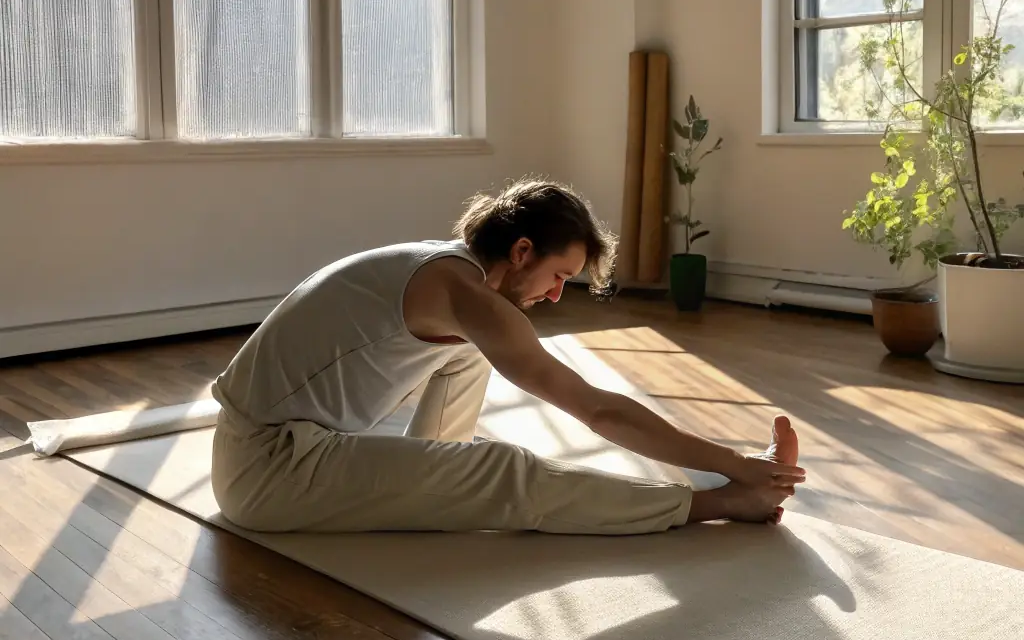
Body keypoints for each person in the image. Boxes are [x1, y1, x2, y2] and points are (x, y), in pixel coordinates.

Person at [210, 179, 805, 534]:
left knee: (466, 357)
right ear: (522, 251)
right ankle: (710, 503)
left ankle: (431, 475)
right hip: (268, 470)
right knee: (504, 472)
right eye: (558, 275)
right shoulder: (464, 294)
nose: (554, 295)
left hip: (270, 448)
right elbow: (600, 413)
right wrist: (737, 465)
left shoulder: (445, 267)